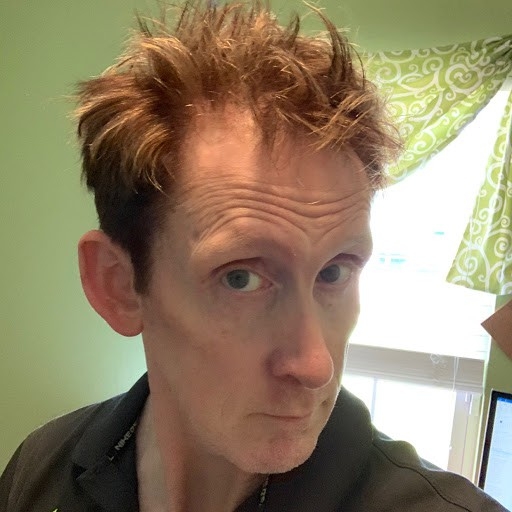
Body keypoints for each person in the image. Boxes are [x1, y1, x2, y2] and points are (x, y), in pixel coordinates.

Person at [0, 1, 506, 511]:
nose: (315, 365)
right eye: (241, 278)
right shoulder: (41, 470)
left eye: (334, 272)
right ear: (118, 285)